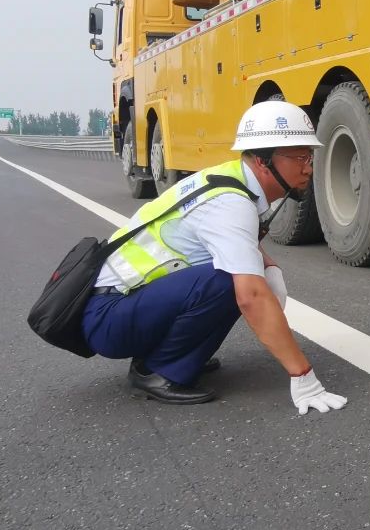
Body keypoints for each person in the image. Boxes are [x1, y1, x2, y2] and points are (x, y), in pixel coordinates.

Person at [81, 101, 349, 409]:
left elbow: (234, 242)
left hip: (124, 306)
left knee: (238, 274)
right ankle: (155, 370)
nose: (309, 167)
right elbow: (250, 296)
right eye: (299, 157)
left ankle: (174, 354)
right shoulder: (230, 203)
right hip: (108, 318)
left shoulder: (232, 180)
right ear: (263, 162)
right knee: (231, 282)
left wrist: (270, 267)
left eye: (310, 155)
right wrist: (303, 376)